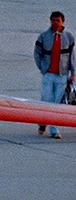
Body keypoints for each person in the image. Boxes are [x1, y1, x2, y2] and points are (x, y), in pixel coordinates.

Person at [33, 10, 73, 139]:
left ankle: (53, 128)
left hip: (62, 75)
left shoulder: (69, 37)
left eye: (58, 20)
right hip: (48, 74)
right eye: (53, 20)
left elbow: (73, 56)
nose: (55, 23)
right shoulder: (44, 36)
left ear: (62, 22)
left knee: (57, 102)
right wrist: (42, 68)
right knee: (46, 99)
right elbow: (37, 53)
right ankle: (43, 121)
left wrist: (73, 73)